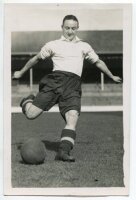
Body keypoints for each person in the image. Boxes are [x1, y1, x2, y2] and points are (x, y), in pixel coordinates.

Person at [13, 15, 122, 162]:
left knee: (72, 117)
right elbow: (36, 59)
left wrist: (112, 75)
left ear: (77, 28)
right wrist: (21, 72)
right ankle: (27, 101)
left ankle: (63, 152)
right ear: (62, 27)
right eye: (67, 28)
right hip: (55, 82)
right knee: (31, 114)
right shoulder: (53, 44)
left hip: (73, 86)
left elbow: (98, 62)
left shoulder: (84, 46)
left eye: (73, 28)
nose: (70, 31)